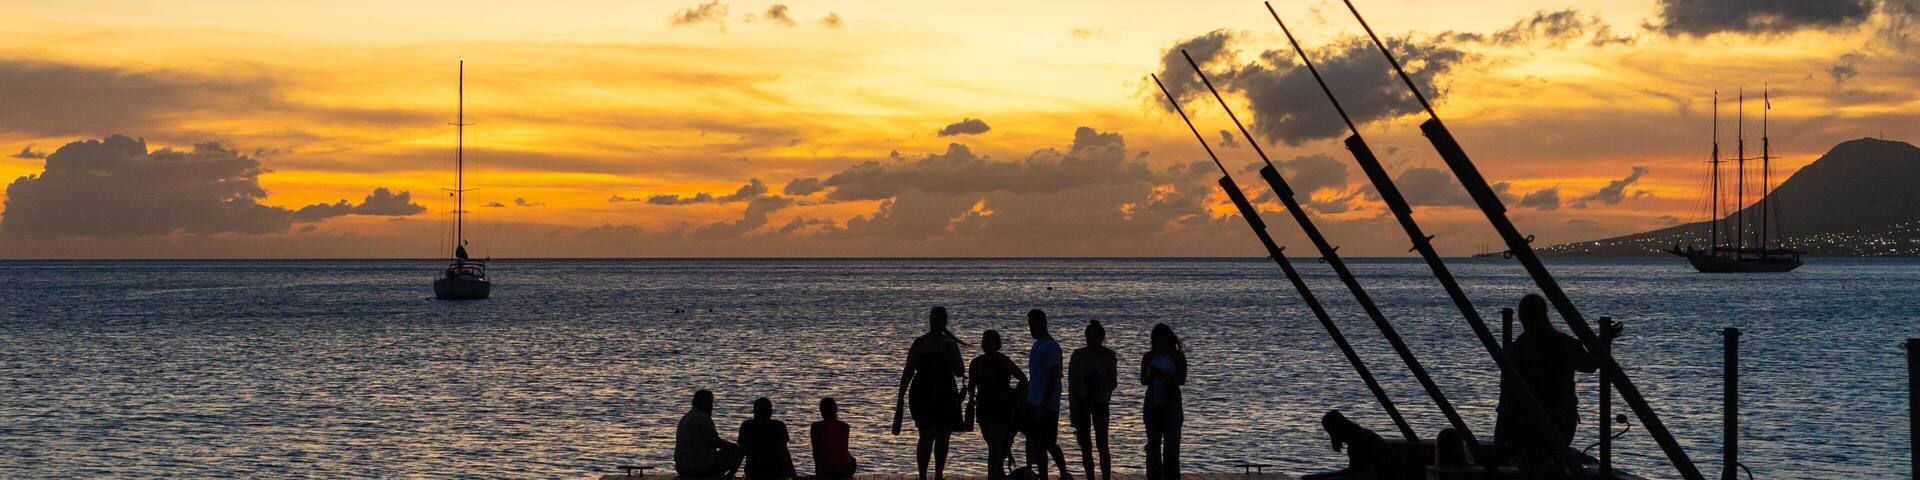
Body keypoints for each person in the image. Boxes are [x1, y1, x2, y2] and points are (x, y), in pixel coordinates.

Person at [1493, 294, 1614, 472]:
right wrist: (1603, 341)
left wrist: (1501, 433)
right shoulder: (1564, 343)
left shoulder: (1516, 349)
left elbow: (1507, 395)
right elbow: (1590, 364)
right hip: (1562, 420)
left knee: (1530, 465)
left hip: (1527, 422)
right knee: (1552, 461)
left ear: (1521, 317)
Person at [899, 306, 967, 480]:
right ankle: (922, 475)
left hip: (945, 393)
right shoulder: (920, 343)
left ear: (944, 322)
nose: (933, 323)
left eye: (937, 320)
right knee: (926, 435)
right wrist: (900, 396)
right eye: (931, 319)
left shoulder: (950, 344)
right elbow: (909, 370)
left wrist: (950, 354)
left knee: (944, 436)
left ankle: (938, 475)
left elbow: (960, 370)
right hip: (923, 393)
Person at [964, 330, 1027, 480]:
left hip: (1001, 407)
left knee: (995, 444)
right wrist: (969, 400)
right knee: (994, 445)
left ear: (997, 344)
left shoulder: (1003, 360)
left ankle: (993, 476)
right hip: (983, 408)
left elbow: (1023, 379)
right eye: (984, 341)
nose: (985, 344)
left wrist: (1014, 396)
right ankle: (998, 474)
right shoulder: (976, 363)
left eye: (989, 341)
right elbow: (971, 387)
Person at [1023, 309, 1072, 480]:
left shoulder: (1051, 347)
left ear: (1041, 324)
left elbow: (1053, 377)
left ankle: (1062, 473)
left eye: (1032, 325)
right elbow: (1035, 376)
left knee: (1047, 442)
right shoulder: (1037, 345)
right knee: (1031, 439)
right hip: (1032, 399)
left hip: (1046, 403)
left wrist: (1044, 403)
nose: (1030, 328)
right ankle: (1031, 470)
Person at [1068, 321, 1117, 480]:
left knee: (1102, 444)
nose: (1091, 339)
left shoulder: (1109, 356)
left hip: (1100, 402)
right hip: (1082, 402)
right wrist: (1073, 410)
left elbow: (1113, 382)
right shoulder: (1078, 355)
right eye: (1088, 336)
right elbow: (1072, 384)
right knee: (1085, 445)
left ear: (1101, 337)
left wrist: (1101, 385)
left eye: (1094, 336)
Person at [1140, 323, 1186, 480]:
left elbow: (1182, 379)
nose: (1159, 343)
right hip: (1152, 403)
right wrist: (1151, 375)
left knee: (1171, 447)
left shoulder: (1177, 356)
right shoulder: (1148, 357)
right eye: (1156, 340)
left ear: (1168, 339)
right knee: (1153, 445)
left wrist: (1166, 376)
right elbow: (1143, 380)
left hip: (1172, 403)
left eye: (1162, 340)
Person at [1301, 410, 1390, 480]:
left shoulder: (1358, 441)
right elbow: (1355, 471)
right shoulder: (1362, 435)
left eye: (1330, 431)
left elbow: (1355, 472)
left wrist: (1322, 477)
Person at [676, 389, 743, 479]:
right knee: (735, 450)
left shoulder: (686, 418)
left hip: (682, 467)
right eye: (708, 402)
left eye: (711, 402)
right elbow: (715, 441)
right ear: (698, 403)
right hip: (700, 468)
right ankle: (728, 476)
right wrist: (735, 446)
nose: (711, 407)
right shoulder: (703, 418)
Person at [738, 397, 800, 480]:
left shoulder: (747, 426)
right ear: (771, 412)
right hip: (777, 474)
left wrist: (731, 473)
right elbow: (785, 454)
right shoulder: (779, 426)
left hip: (753, 474)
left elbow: (740, 452)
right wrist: (794, 477)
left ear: (754, 412)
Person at [811, 398, 858, 479]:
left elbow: (816, 452)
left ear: (821, 411)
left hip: (828, 470)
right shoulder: (845, 426)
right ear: (836, 410)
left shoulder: (816, 427)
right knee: (851, 459)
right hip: (846, 469)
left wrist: (819, 475)